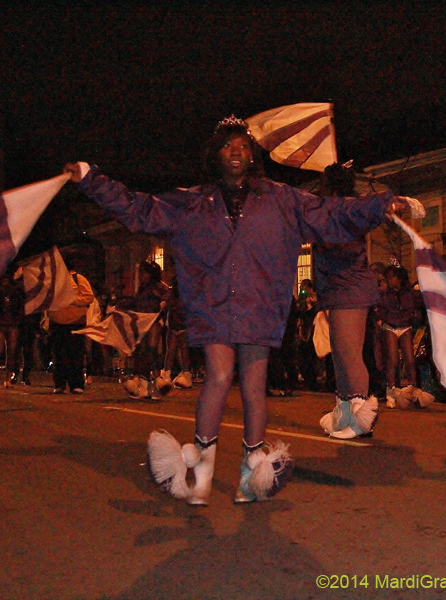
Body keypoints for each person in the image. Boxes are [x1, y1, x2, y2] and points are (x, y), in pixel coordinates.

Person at [65, 115, 407, 504]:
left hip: (261, 304)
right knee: (218, 375)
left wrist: (382, 204)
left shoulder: (282, 198)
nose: (237, 152)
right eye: (229, 145)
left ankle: (251, 473)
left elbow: (332, 214)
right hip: (213, 304)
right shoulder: (191, 202)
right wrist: (91, 178)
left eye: (244, 146)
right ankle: (202, 474)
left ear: (252, 156)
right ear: (215, 153)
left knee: (254, 386)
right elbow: (139, 208)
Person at [314, 163, 383, 439]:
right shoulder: (335, 210)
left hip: (350, 287)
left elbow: (338, 245)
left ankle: (360, 416)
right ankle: (344, 411)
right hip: (337, 288)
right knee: (340, 354)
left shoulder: (347, 210)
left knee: (350, 353)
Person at [378, 264, 426, 408]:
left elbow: (423, 302)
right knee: (392, 359)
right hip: (390, 326)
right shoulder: (384, 294)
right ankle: (391, 390)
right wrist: (381, 318)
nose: (390, 280)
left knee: (410, 359)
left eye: (392, 277)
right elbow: (379, 308)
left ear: (398, 279)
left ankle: (412, 388)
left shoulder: (409, 294)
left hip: (405, 326)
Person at [122, 260, 172, 399]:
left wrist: (164, 303)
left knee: (151, 348)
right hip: (142, 322)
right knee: (143, 350)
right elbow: (136, 302)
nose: (141, 275)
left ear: (150, 274)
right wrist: (120, 306)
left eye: (144, 272)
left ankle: (157, 381)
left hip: (154, 321)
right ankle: (145, 386)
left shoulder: (160, 287)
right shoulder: (143, 288)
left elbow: (168, 296)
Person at [47, 259, 94, 395]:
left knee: (76, 354)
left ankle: (76, 384)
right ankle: (60, 384)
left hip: (75, 322)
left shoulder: (78, 279)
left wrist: (71, 300)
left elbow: (88, 297)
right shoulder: (53, 280)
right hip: (57, 322)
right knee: (58, 355)